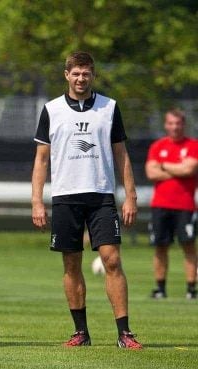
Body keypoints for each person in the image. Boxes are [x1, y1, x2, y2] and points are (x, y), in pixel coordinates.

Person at [31, 51, 143, 349]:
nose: (81, 79)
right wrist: (37, 201)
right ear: (67, 75)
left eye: (86, 73)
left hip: (102, 196)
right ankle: (80, 332)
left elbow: (122, 155)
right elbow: (41, 161)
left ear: (93, 75)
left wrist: (130, 195)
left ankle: (125, 333)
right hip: (65, 197)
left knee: (112, 259)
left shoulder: (109, 108)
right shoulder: (52, 110)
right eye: (76, 73)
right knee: (71, 264)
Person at [145, 108, 198, 299]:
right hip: (160, 205)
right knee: (160, 247)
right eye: (171, 123)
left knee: (189, 246)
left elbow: (190, 169)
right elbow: (151, 173)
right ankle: (160, 288)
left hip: (185, 206)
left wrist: (164, 165)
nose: (174, 127)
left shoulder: (193, 145)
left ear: (183, 124)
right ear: (166, 125)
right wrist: (179, 168)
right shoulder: (157, 146)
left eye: (178, 123)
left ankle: (191, 289)